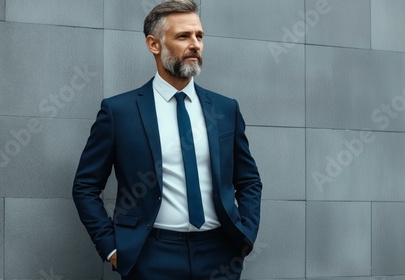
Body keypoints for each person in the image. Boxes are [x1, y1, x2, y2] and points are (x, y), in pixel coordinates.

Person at [72, 0, 262, 279]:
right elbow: (85, 187)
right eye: (183, 36)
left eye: (199, 35)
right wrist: (112, 249)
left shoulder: (225, 109)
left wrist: (245, 233)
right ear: (154, 44)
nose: (195, 44)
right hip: (151, 256)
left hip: (219, 254)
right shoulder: (119, 112)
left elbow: (248, 180)